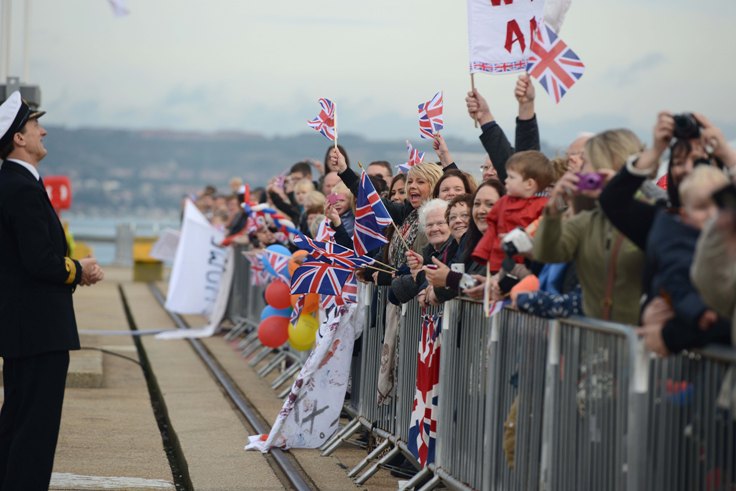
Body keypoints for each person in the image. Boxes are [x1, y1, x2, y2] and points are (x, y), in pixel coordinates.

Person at [0, 92, 104, 490]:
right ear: (19, 139)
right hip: (38, 328)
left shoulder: (15, 183)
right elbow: (39, 261)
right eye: (34, 126)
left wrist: (75, 270)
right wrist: (81, 270)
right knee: (35, 428)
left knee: (18, 418)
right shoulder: (20, 188)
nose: (43, 131)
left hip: (27, 327)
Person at [533, 129, 645, 324]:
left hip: (640, 340)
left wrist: (620, 191)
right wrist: (555, 207)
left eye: (587, 163)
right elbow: (546, 252)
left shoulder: (650, 210)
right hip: (596, 339)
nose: (581, 171)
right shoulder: (589, 219)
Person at [472, 150, 554, 273]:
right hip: (497, 261)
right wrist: (482, 252)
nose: (506, 180)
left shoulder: (542, 206)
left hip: (525, 264)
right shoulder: (503, 202)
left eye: (511, 177)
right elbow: (492, 229)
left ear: (529, 184)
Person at [465, 73, 540, 181]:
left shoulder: (515, 190)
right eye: (486, 167)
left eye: (496, 167)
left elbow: (524, 169)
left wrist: (526, 105)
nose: (489, 173)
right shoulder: (475, 196)